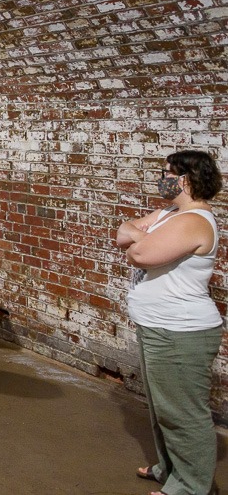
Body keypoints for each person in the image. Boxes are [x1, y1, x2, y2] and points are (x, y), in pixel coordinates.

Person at [117, 150, 223, 495]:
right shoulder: (171, 213)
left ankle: (192, 487)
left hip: (182, 330)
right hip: (159, 326)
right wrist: (139, 234)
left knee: (183, 413)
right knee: (163, 408)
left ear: (187, 179)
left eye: (168, 173)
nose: (162, 178)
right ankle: (170, 470)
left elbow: (140, 254)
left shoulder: (194, 221)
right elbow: (123, 234)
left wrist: (140, 238)